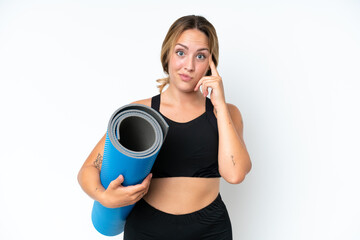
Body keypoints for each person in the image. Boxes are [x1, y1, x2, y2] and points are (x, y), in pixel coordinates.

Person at [78, 15, 251, 240]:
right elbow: (88, 169)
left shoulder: (227, 113)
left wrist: (219, 106)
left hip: (210, 230)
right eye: (181, 52)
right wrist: (104, 197)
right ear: (167, 54)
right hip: (148, 228)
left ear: (211, 64)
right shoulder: (139, 112)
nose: (189, 65)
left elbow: (235, 174)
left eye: (200, 56)